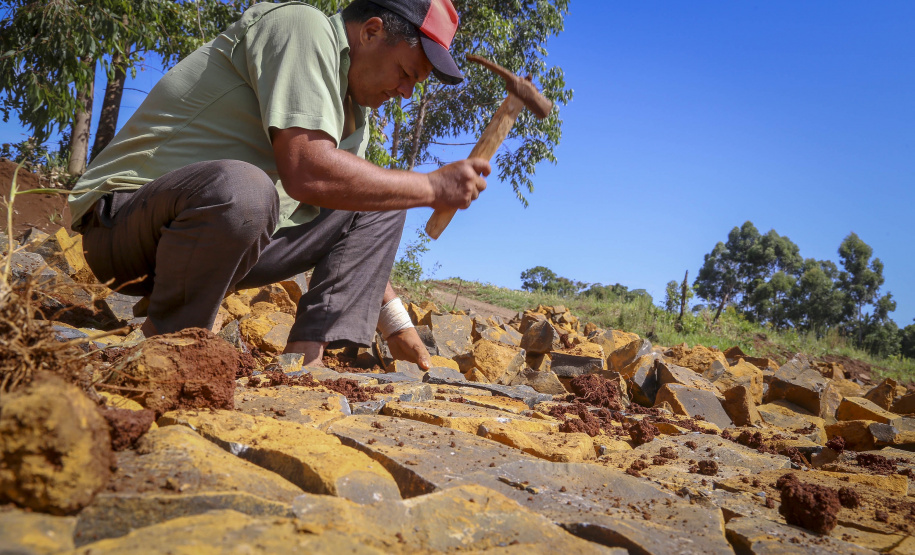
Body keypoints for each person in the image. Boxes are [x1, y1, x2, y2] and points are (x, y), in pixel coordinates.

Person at [67, 0, 489, 369]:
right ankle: (171, 344)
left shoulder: (351, 114)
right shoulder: (302, 28)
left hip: (219, 249)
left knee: (384, 198)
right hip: (122, 229)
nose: (406, 92)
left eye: (414, 83)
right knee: (246, 187)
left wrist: (397, 324)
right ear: (372, 31)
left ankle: (304, 362)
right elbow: (308, 171)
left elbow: (356, 212)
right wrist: (432, 187)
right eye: (406, 73)